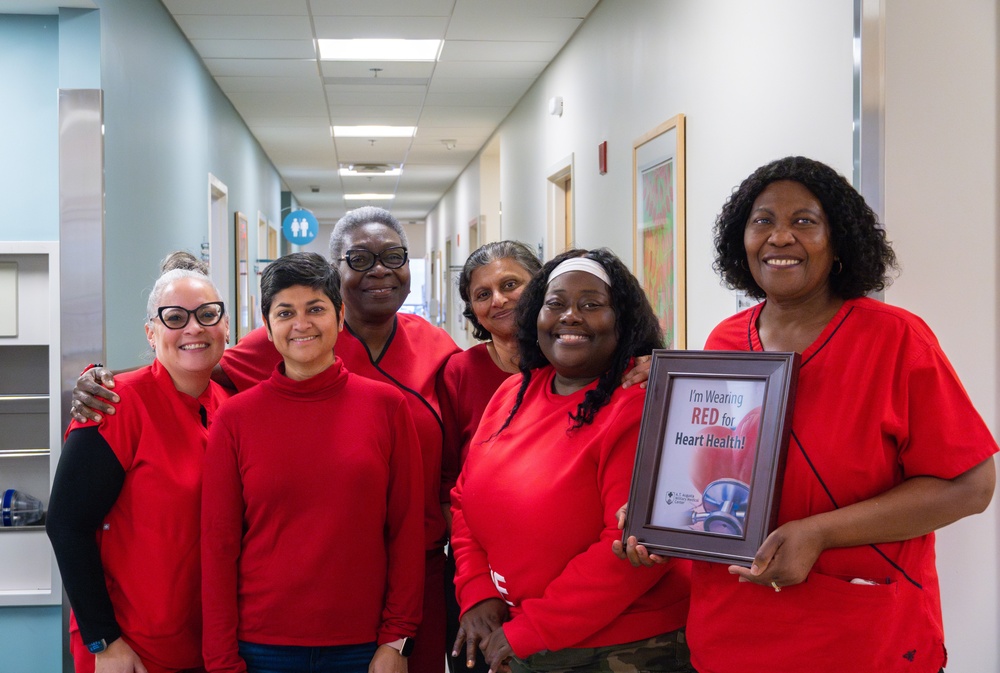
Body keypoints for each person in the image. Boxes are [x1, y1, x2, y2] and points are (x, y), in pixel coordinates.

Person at [616, 156, 998, 673]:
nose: (779, 237)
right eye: (763, 221)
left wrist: (819, 533)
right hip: (732, 629)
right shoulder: (723, 343)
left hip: (860, 637)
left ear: (837, 241)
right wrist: (659, 518)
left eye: (804, 221)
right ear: (741, 240)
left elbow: (971, 486)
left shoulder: (895, 339)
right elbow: (716, 476)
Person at [450, 249, 692, 673]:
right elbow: (463, 498)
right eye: (555, 304)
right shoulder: (514, 393)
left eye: (591, 305)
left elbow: (628, 551)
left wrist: (530, 630)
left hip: (621, 648)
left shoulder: (636, 406)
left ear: (623, 320)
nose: (570, 316)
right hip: (520, 635)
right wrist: (476, 591)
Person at [201, 252, 424, 673]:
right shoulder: (236, 418)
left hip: (363, 645)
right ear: (266, 327)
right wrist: (220, 659)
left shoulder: (387, 407)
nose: (301, 324)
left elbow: (406, 529)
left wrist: (397, 639)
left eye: (316, 309)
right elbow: (218, 544)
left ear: (340, 318)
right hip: (261, 646)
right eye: (285, 312)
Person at [47, 268, 231, 673]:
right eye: (175, 317)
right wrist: (104, 640)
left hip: (212, 646)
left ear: (226, 326)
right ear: (151, 333)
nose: (193, 328)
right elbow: (66, 524)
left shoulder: (233, 408)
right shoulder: (117, 405)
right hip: (132, 649)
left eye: (207, 314)